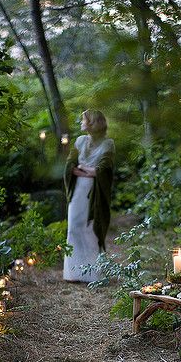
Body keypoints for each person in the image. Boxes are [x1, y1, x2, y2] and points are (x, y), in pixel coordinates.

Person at [63, 109, 115, 282]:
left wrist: (86, 170)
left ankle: (94, 274)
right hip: (78, 190)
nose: (80, 123)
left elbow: (102, 170)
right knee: (73, 228)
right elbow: (71, 166)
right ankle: (74, 273)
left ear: (92, 123)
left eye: (83, 120)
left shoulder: (108, 144)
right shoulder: (79, 141)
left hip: (95, 193)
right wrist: (88, 171)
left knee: (91, 229)